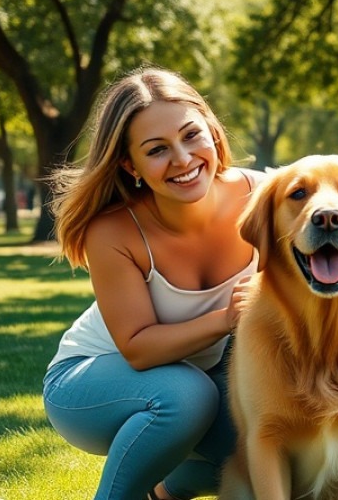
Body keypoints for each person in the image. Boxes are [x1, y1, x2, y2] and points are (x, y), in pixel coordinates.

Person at [42, 67, 265, 500]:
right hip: (92, 381)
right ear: (131, 165)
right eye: (157, 149)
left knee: (276, 465)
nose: (182, 159)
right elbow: (138, 347)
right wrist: (228, 317)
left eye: (191, 135)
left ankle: (168, 489)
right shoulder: (113, 232)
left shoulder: (266, 197)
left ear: (213, 132)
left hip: (207, 373)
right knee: (187, 396)